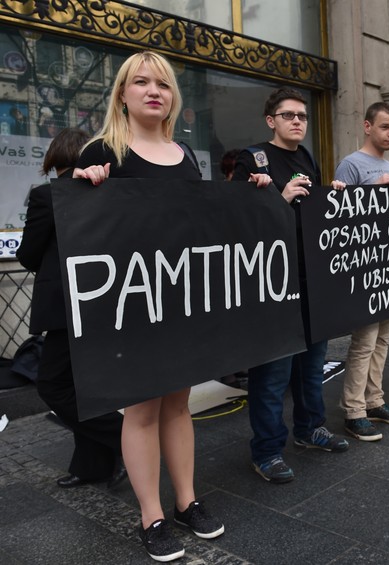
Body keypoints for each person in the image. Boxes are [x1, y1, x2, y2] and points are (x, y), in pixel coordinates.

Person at [72, 51, 256, 562]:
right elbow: (83, 228)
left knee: (179, 404)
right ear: (123, 94)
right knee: (142, 409)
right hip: (131, 305)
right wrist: (86, 186)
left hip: (178, 301)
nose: (154, 91)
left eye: (164, 85)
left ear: (173, 97)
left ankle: (186, 501)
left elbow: (201, 227)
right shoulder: (102, 149)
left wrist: (255, 198)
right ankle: (150, 515)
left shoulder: (185, 155)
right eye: (142, 83)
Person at [231, 87, 349, 484]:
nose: (298, 121)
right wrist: (280, 198)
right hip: (274, 284)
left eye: (302, 116)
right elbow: (239, 222)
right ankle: (266, 451)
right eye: (288, 115)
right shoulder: (252, 158)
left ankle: (310, 428)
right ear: (271, 121)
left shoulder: (306, 157)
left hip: (310, 277)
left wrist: (330, 200)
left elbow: (309, 214)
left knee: (312, 365)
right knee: (273, 373)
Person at [17, 128, 127, 493]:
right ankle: (92, 464)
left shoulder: (47, 195)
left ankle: (127, 440)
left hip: (66, 305)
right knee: (88, 386)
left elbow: (29, 255)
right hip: (107, 300)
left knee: (53, 385)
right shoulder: (112, 194)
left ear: (55, 158)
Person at [334, 101, 389, 442]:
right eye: (385, 127)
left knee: (383, 338)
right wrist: (372, 191)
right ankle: (353, 410)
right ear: (367, 127)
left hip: (387, 267)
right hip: (364, 269)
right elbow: (338, 215)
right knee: (364, 341)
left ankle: (374, 400)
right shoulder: (351, 164)